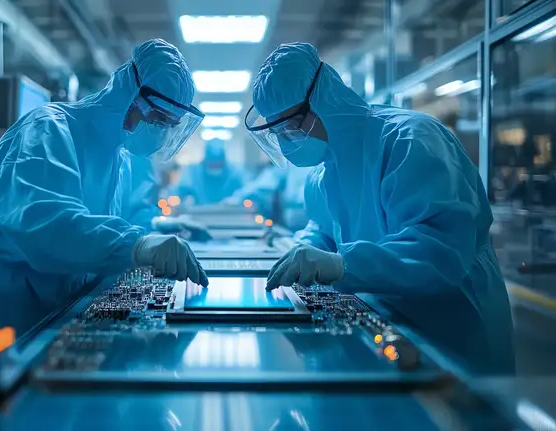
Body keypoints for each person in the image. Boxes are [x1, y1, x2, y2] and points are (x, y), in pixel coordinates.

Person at [0, 39, 209, 379]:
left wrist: (157, 233)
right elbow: (43, 221)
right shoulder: (48, 128)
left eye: (168, 124)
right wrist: (137, 246)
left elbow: (117, 221)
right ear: (128, 93)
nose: (160, 130)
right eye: (158, 117)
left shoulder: (119, 155)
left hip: (47, 307)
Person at [245, 43, 514, 374]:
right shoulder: (322, 172)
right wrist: (305, 248)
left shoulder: (410, 141)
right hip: (388, 327)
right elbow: (325, 231)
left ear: (322, 100)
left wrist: (342, 264)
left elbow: (439, 253)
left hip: (456, 333)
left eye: (292, 125)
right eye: (278, 131)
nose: (287, 140)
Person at [224, 163, 312, 231]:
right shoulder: (291, 165)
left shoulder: (291, 163)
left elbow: (263, 186)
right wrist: (239, 197)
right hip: (298, 222)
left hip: (304, 221)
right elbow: (263, 186)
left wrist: (238, 197)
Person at [174, 138, 245, 205]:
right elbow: (182, 191)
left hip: (228, 214)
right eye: (212, 164)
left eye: (218, 164)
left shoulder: (234, 173)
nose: (215, 167)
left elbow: (243, 192)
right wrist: (188, 198)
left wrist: (236, 199)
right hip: (198, 214)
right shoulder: (193, 172)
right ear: (206, 161)